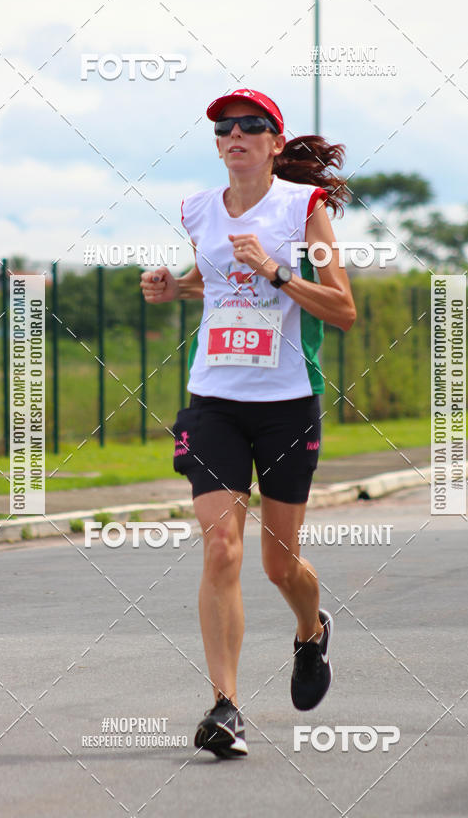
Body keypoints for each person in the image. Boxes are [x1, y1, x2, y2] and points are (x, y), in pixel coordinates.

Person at [141, 88, 356, 759]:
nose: (234, 135)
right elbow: (217, 278)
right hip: (213, 401)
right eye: (223, 128)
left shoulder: (303, 210)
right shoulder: (199, 208)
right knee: (221, 549)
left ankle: (311, 630)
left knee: (278, 562)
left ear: (273, 142)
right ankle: (226, 707)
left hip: (288, 402)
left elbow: (342, 308)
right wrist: (176, 287)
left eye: (250, 126)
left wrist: (277, 271)